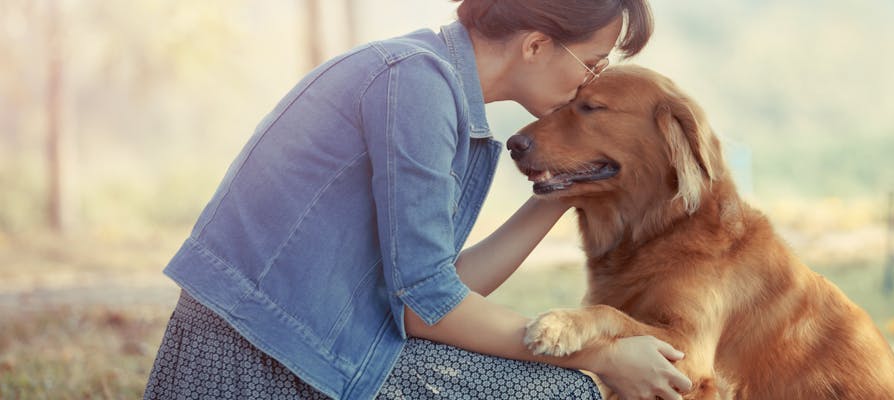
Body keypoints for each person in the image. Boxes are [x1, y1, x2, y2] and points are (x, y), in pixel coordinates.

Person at [142, 0, 693, 399]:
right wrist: (603, 354)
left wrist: (555, 196)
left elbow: (438, 288)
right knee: (560, 394)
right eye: (592, 64)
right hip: (256, 362)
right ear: (535, 44)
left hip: (322, 346)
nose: (586, 87)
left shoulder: (439, 91)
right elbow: (424, 310)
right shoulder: (415, 84)